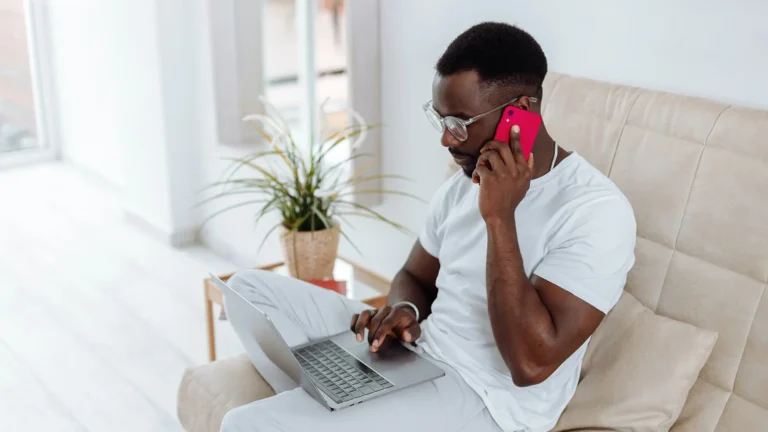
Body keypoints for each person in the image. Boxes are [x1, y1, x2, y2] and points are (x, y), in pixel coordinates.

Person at [221, 22, 636, 432]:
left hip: (486, 399)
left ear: (520, 113)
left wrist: (500, 216)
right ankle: (333, 398)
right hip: (421, 353)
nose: (446, 141)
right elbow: (414, 275)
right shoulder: (460, 187)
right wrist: (406, 309)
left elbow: (530, 364)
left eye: (458, 124)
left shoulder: (595, 211)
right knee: (247, 289)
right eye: (440, 121)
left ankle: (327, 407)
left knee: (243, 424)